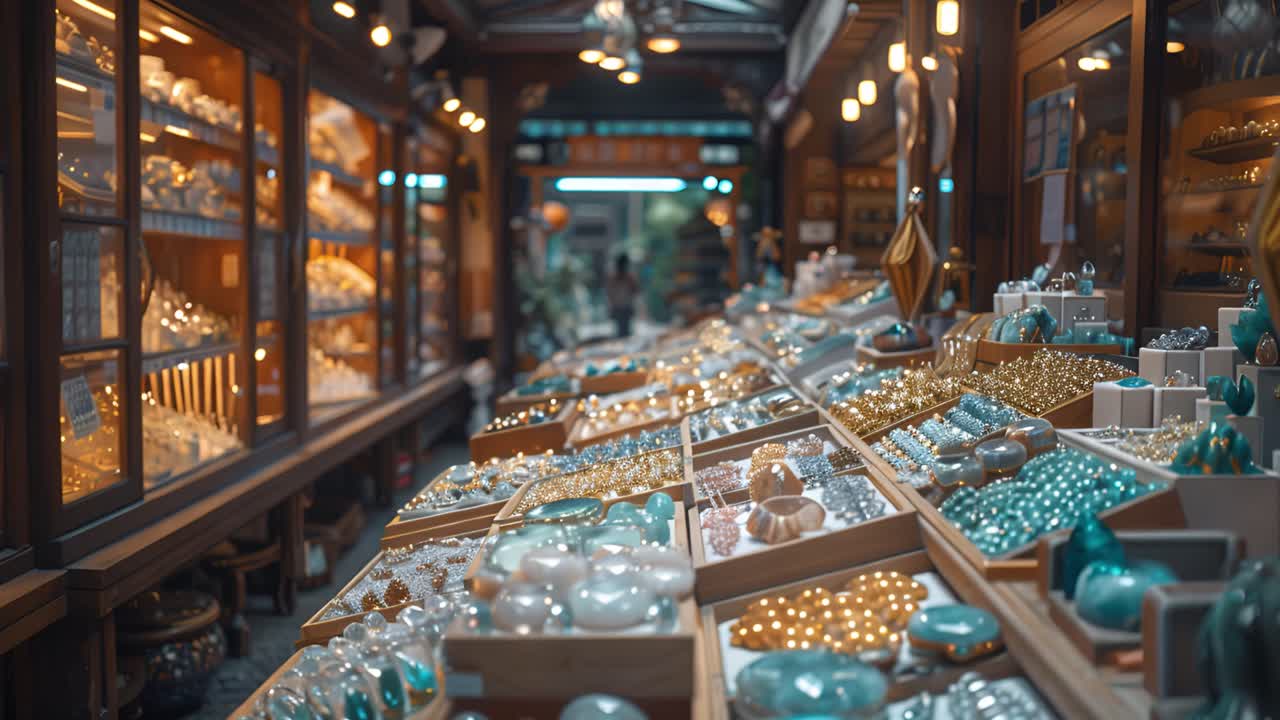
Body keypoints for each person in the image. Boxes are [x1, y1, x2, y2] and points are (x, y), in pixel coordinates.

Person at [605, 254, 640, 338]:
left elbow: (609, 293)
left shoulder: (615, 277)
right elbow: (636, 291)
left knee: (622, 332)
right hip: (623, 307)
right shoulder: (627, 276)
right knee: (624, 332)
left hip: (621, 307)